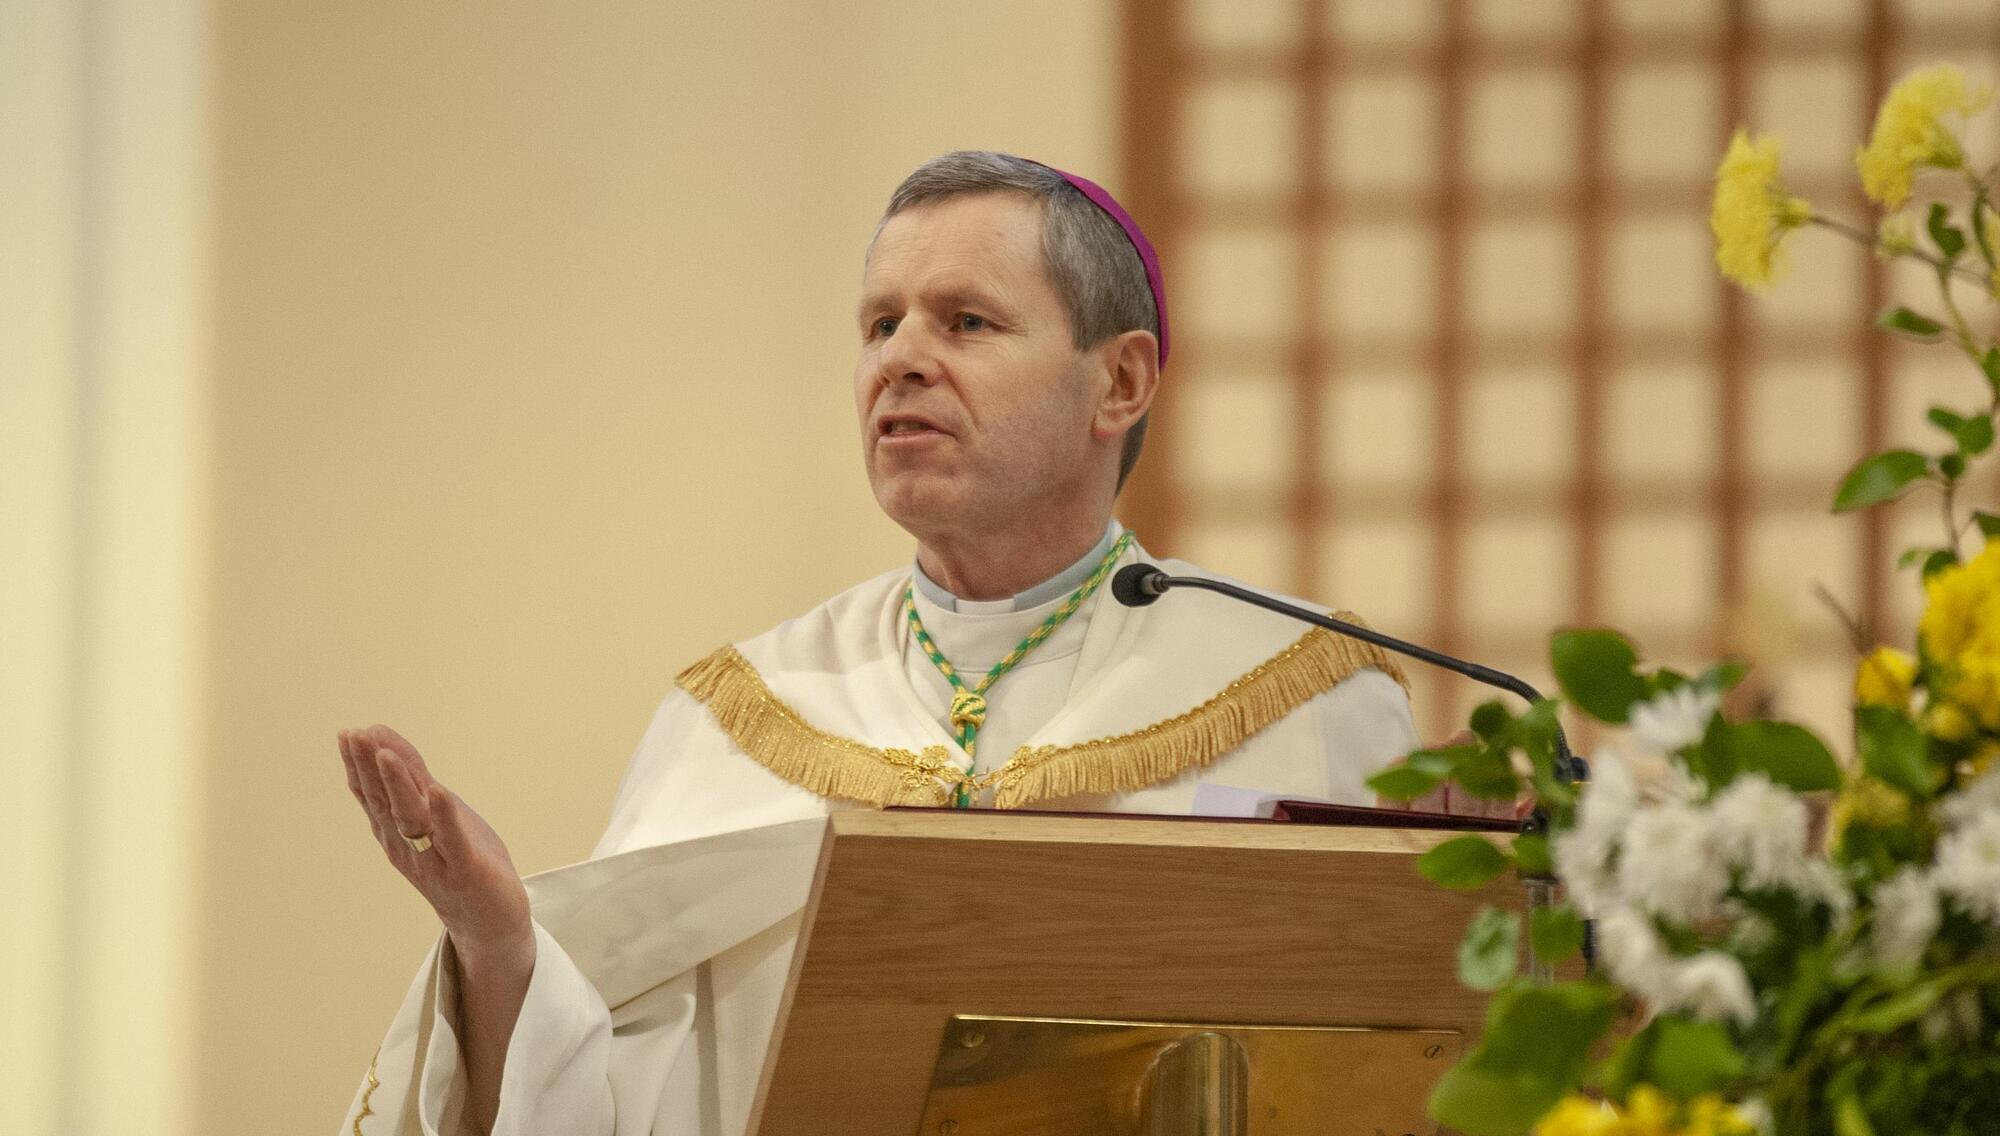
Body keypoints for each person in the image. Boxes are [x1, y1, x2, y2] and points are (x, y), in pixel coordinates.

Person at [336, 151, 1446, 1136]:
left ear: (1119, 381)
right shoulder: (742, 713)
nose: (901, 358)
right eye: (879, 325)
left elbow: (1411, 1065)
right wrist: (500, 946)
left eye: (965, 321)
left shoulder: (1294, 689)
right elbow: (603, 1101)